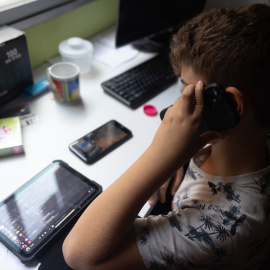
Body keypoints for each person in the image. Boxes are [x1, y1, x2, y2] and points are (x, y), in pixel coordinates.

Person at [62, 4, 270, 269]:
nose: (175, 106)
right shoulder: (252, 139)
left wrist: (161, 158)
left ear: (230, 104)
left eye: (187, 92)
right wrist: (180, 155)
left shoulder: (222, 227)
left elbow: (80, 255)